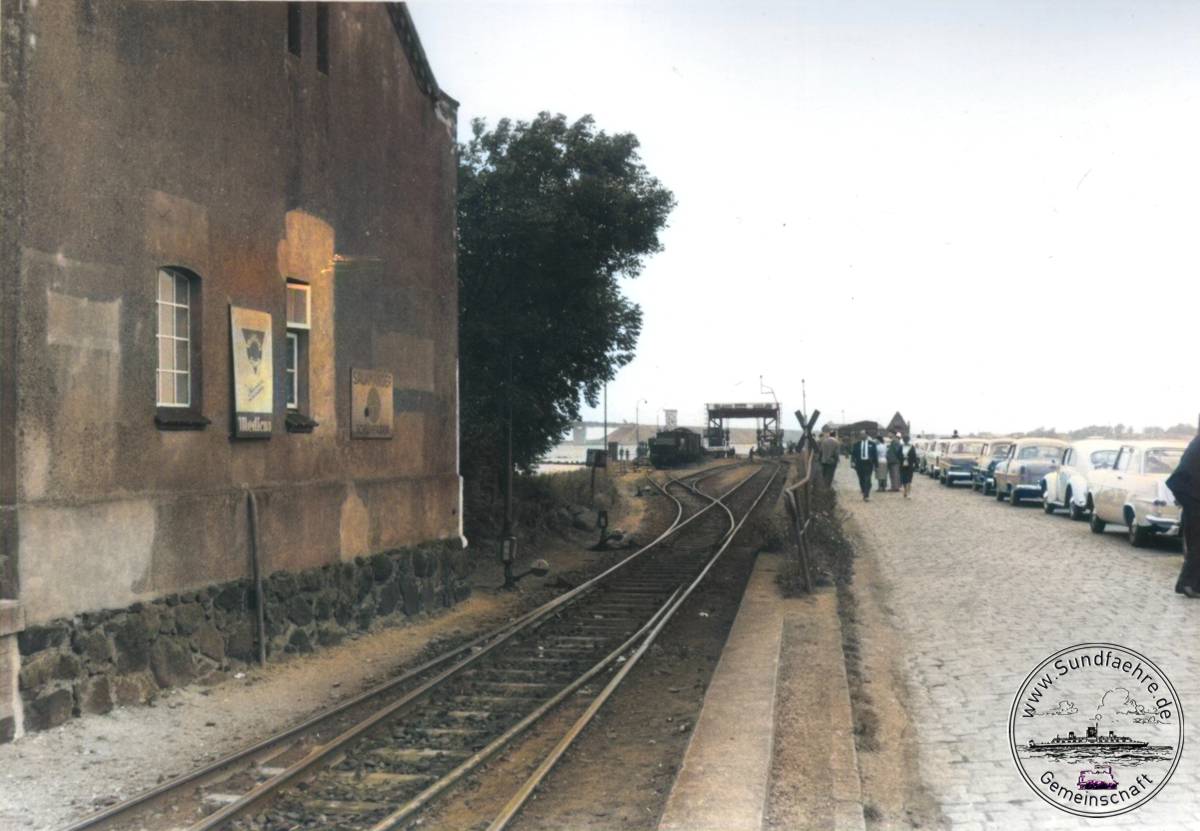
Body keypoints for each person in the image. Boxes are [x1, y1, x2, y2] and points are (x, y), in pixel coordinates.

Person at [1167, 432, 1200, 598]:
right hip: (1192, 493)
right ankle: (1187, 584)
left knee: (1195, 539)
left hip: (1187, 492)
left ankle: (1191, 584)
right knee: (1197, 540)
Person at [850, 431, 877, 501]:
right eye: (861, 434)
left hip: (868, 463)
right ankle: (864, 489)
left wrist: (876, 465)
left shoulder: (872, 444)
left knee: (867, 478)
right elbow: (853, 454)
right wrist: (852, 462)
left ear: (867, 435)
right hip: (859, 463)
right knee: (861, 479)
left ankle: (866, 495)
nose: (862, 435)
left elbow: (875, 455)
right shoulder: (856, 444)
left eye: (863, 434)